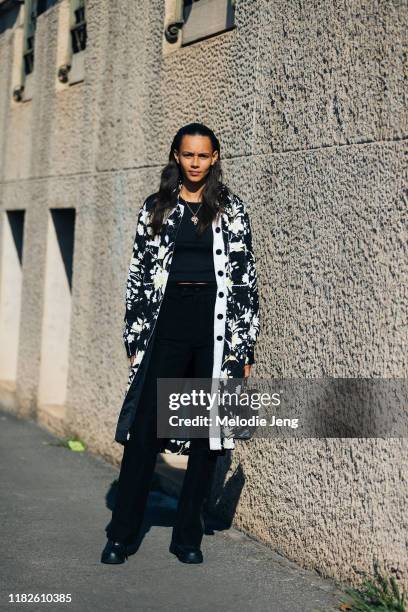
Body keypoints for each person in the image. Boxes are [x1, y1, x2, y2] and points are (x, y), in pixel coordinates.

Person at [101, 122, 260, 565]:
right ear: (176, 156)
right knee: (144, 432)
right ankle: (121, 534)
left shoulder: (232, 210)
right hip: (165, 324)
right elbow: (137, 273)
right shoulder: (156, 207)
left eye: (202, 156)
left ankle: (187, 536)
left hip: (214, 325)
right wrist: (134, 336)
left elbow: (246, 278)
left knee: (208, 436)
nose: (194, 163)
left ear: (214, 158)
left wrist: (243, 346)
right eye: (187, 155)